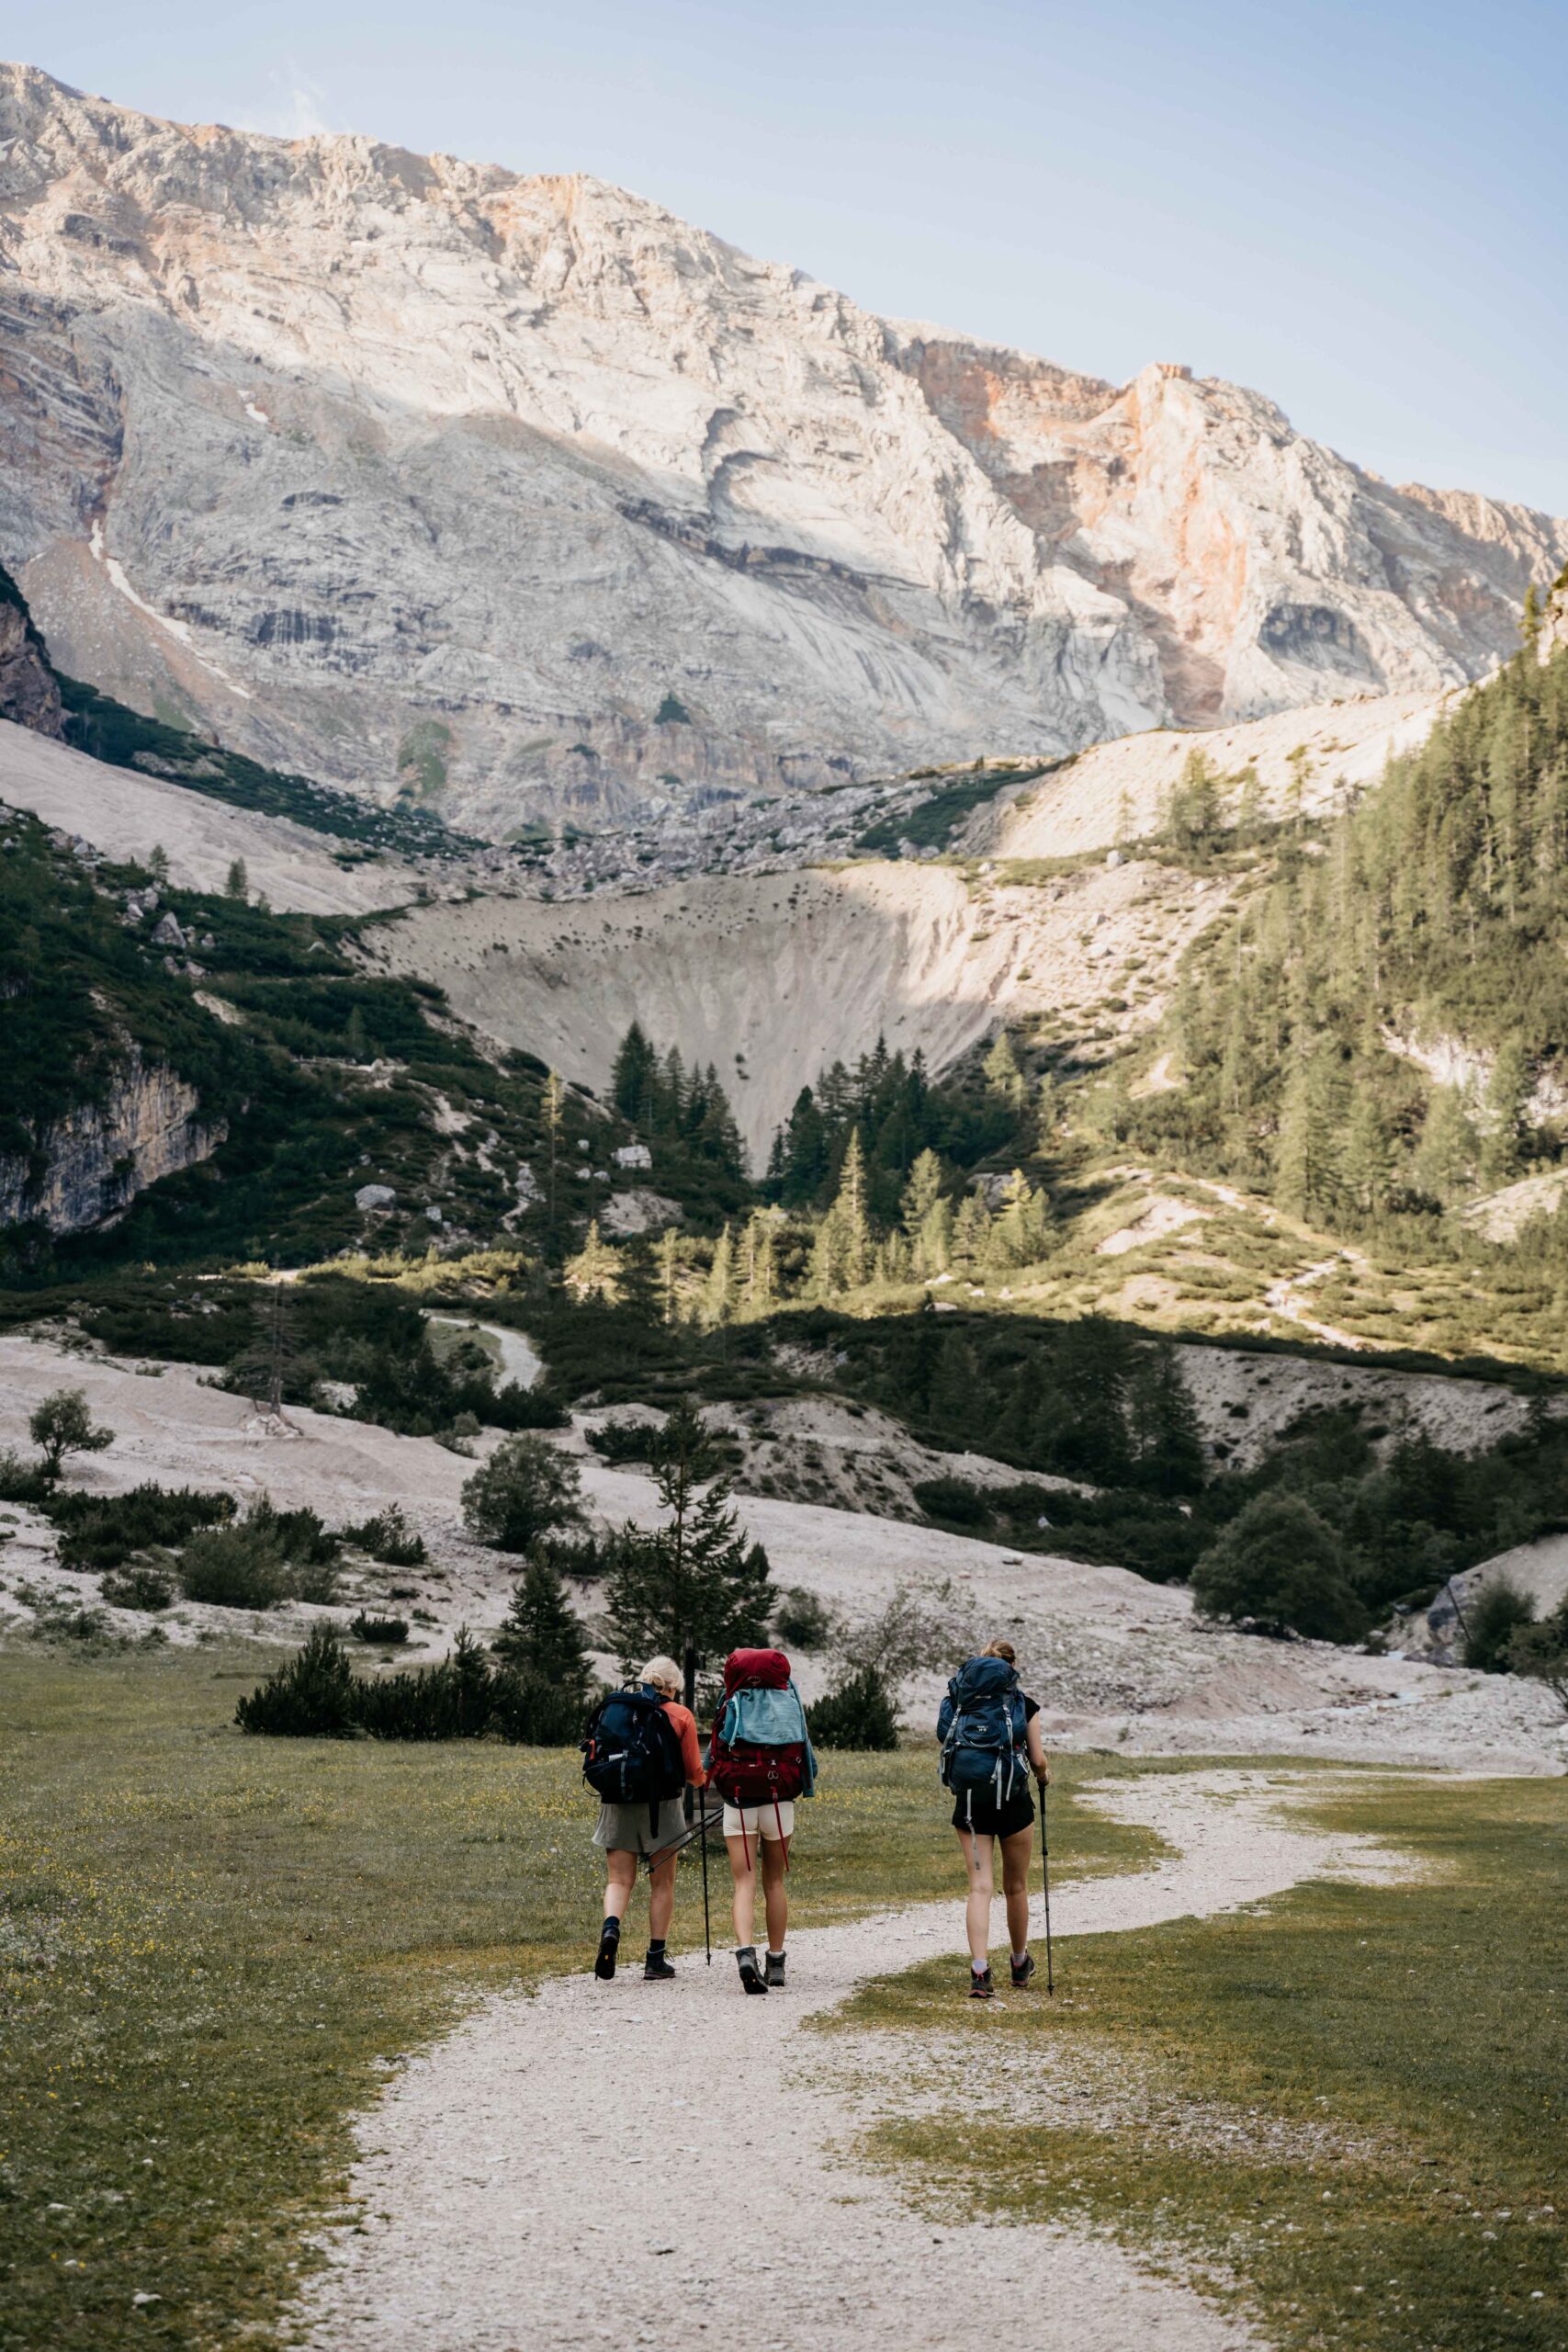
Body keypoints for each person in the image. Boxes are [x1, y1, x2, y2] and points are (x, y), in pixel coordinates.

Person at [937, 1638, 1050, 1998]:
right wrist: (1044, 1778)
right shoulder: (1023, 1704)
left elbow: (944, 1738)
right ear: (1012, 1670)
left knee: (979, 1887)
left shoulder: (959, 1702)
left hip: (970, 1803)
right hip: (1014, 1803)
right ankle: (1019, 1962)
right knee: (1015, 1886)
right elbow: (1039, 1760)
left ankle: (980, 1971)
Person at [588, 1655, 705, 1983]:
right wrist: (704, 1779)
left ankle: (611, 1929)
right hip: (663, 1809)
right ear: (673, 1687)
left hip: (618, 1800)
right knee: (662, 1883)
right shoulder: (680, 1715)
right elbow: (694, 1773)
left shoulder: (621, 1709)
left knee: (619, 1880)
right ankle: (655, 1959)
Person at [709, 1645, 817, 1996]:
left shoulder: (731, 1700)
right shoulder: (789, 1701)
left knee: (744, 1882)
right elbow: (805, 1750)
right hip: (778, 1801)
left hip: (738, 1801)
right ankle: (776, 1962)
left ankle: (745, 1953)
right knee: (774, 1883)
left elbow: (714, 1750)